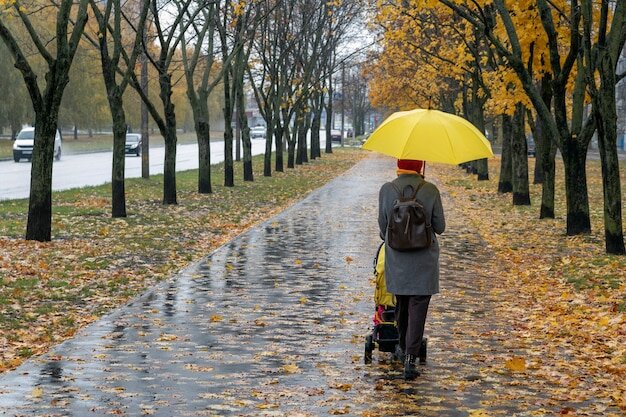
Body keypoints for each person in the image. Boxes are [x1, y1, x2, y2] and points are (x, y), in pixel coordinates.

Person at [377, 159, 445, 380]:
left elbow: (382, 227)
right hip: (424, 259)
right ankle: (410, 357)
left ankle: (402, 347)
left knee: (402, 301)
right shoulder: (431, 189)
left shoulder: (387, 190)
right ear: (419, 167)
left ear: (399, 165)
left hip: (397, 258)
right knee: (418, 305)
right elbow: (440, 227)